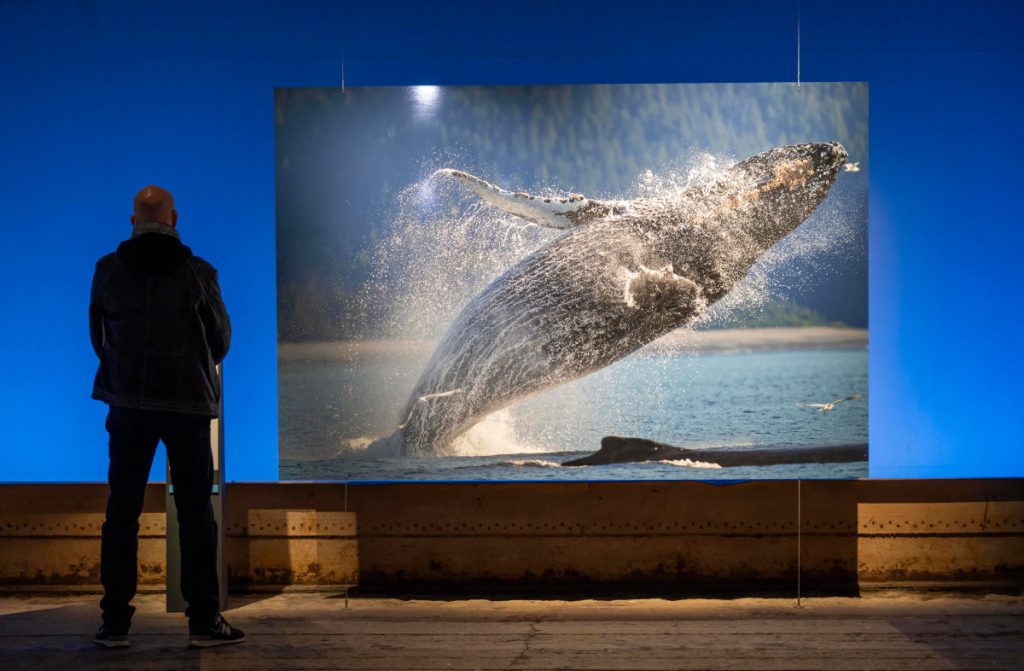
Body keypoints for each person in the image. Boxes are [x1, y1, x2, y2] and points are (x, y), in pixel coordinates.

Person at [89, 185, 244, 648]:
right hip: (187, 407)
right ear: (174, 220)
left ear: (133, 221)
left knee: (122, 514)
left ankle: (114, 624)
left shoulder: (107, 271)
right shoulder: (199, 273)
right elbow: (221, 343)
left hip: (128, 406)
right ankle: (203, 622)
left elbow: (98, 337)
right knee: (196, 515)